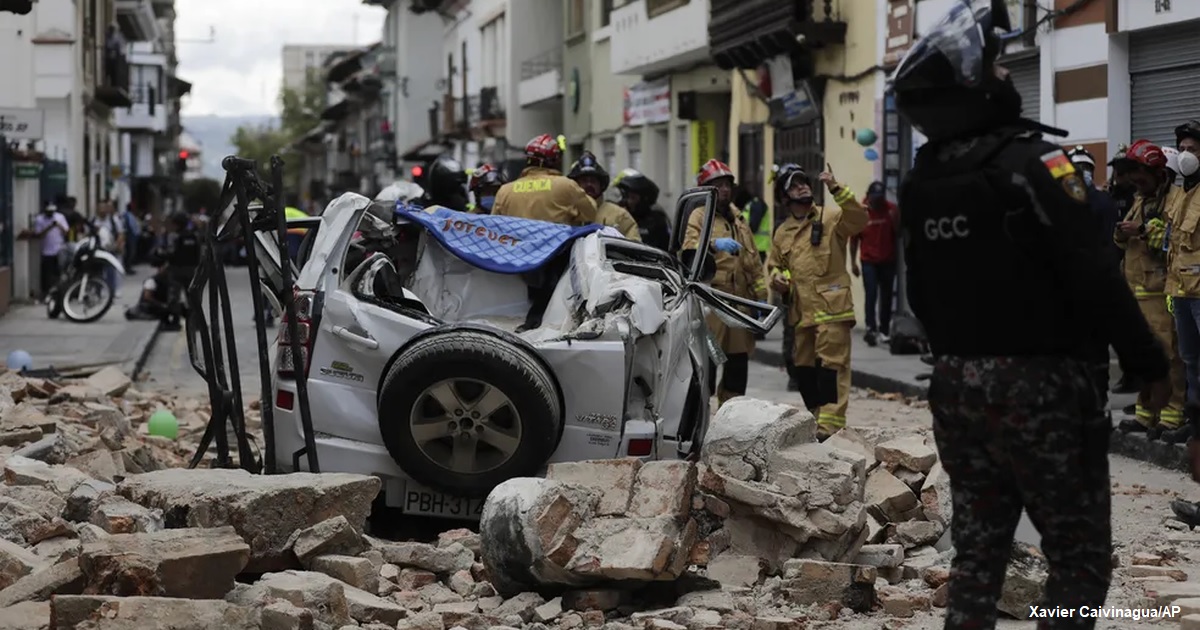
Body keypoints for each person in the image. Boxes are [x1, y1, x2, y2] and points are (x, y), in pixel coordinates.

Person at [890, 1, 1170, 627]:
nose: (1004, 76)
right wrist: (1148, 360)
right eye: (995, 67)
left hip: (957, 384)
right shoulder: (1034, 164)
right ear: (970, 89)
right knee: (1077, 557)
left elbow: (924, 297)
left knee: (978, 553)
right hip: (1041, 384)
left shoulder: (925, 177)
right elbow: (1094, 270)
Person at [767, 164, 867, 438]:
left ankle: (830, 427)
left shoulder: (832, 217)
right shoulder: (782, 232)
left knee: (832, 368)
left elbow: (859, 220)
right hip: (802, 314)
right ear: (785, 199)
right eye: (794, 185)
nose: (803, 186)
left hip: (832, 309)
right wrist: (778, 278)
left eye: (804, 182)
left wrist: (837, 188)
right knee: (803, 370)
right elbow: (776, 266)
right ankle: (817, 416)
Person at [1113, 140, 1188, 440]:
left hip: (1162, 293)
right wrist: (1121, 233)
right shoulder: (1140, 200)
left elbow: (1173, 240)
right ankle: (1146, 414)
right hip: (1137, 293)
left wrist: (1142, 231)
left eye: (1141, 175)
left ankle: (1171, 415)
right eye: (1133, 176)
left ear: (1160, 173)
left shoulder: (1175, 200)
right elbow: (1121, 241)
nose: (1135, 181)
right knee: (1142, 357)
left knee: (1169, 356)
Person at [681, 159, 767, 407]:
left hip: (738, 304)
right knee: (707, 363)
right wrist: (712, 245)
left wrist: (761, 295)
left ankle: (731, 416)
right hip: (711, 303)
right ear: (705, 189)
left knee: (738, 365)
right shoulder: (699, 216)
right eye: (718, 185)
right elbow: (688, 248)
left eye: (727, 184)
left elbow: (752, 259)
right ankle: (701, 418)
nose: (725, 190)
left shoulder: (738, 218)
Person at [1065, 145, 1122, 417]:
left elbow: (1112, 245)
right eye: (1079, 169)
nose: (1083, 174)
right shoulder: (1063, 202)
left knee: (1095, 350)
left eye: (1086, 169)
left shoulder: (1102, 203)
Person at [1168, 120, 1200, 443]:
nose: (1185, 155)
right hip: (1180, 290)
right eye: (1181, 150)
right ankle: (1196, 427)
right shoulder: (1179, 195)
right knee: (1190, 361)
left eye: (1192, 149)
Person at [492, 134, 596, 226]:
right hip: (559, 247)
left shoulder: (504, 192)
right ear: (555, 160)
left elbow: (495, 227)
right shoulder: (566, 186)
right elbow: (590, 213)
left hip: (518, 247)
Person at [849, 181, 898, 347]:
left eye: (880, 198)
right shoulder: (861, 212)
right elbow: (854, 240)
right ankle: (871, 328)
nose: (877, 202)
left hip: (887, 260)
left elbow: (899, 234)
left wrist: (895, 220)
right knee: (871, 294)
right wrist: (853, 263)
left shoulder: (891, 210)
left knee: (886, 297)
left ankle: (884, 330)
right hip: (868, 261)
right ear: (869, 196)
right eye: (874, 198)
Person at [567, 151, 640, 240]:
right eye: (584, 181)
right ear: (575, 184)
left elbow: (634, 244)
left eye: (593, 181)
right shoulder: (566, 212)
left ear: (601, 185)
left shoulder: (619, 215)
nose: (589, 185)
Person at [614, 169, 671, 250]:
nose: (627, 202)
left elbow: (669, 250)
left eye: (632, 198)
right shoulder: (620, 217)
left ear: (644, 199)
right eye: (625, 196)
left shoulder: (657, 220)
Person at [124, 257, 183, 330]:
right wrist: (161, 304)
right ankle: (166, 325)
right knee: (167, 309)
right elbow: (147, 297)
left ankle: (174, 324)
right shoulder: (152, 281)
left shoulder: (168, 281)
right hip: (148, 306)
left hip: (158, 304)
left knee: (177, 307)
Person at [30, 202, 69, 300]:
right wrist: (49, 227)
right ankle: (46, 294)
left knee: (59, 273)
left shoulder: (60, 217)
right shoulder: (40, 219)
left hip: (59, 249)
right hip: (46, 251)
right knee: (47, 274)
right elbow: (39, 235)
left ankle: (60, 294)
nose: (50, 214)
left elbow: (66, 232)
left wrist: (58, 225)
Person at [95, 200, 125, 296]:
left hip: (110, 249)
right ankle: (98, 291)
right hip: (97, 249)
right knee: (98, 271)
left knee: (111, 271)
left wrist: (117, 245)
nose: (102, 210)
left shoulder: (113, 220)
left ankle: (112, 291)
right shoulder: (93, 220)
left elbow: (121, 233)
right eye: (100, 208)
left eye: (104, 208)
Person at [734, 185, 771, 262]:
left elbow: (753, 226)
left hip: (757, 248)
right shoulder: (749, 206)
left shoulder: (756, 204)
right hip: (751, 248)